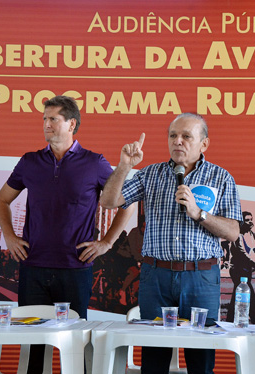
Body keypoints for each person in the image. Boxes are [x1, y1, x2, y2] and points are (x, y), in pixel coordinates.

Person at [0, 95, 133, 373]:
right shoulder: (30, 161)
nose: (46, 124)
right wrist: (9, 236)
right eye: (44, 119)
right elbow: (2, 200)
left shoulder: (94, 162)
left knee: (76, 345)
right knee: (34, 347)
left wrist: (106, 242)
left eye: (53, 119)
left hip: (75, 267)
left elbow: (125, 202)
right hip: (33, 266)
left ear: (72, 124)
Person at [100, 113, 242, 374]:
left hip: (201, 277)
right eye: (173, 135)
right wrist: (124, 166)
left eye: (186, 136)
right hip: (156, 276)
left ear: (204, 144)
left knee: (201, 362)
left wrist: (200, 213)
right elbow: (109, 201)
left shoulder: (221, 178)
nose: (178, 141)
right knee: (154, 360)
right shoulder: (150, 174)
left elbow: (233, 232)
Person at [226, 211, 255, 325]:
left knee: (237, 295)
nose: (250, 222)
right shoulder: (237, 235)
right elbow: (242, 252)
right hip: (237, 269)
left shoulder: (251, 234)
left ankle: (230, 320)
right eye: (247, 220)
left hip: (247, 269)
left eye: (251, 219)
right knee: (249, 294)